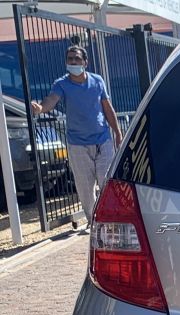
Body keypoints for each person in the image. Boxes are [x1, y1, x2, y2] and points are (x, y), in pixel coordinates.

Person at [31, 45, 122, 228]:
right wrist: (41, 108)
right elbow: (51, 100)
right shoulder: (61, 84)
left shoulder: (97, 81)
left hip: (103, 141)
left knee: (106, 182)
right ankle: (93, 221)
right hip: (77, 145)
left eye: (77, 59)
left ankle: (109, 219)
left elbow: (107, 108)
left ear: (85, 62)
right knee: (85, 188)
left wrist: (118, 133)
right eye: (70, 59)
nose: (73, 62)